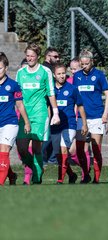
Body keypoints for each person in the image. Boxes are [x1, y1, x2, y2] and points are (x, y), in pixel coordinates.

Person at [16, 43, 61, 184]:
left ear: (38, 57)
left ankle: (36, 175)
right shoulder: (20, 73)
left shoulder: (45, 72)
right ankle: (36, 168)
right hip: (24, 114)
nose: (29, 58)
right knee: (22, 148)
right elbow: (17, 96)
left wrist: (55, 113)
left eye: (32, 56)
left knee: (36, 147)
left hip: (40, 113)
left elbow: (51, 93)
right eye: (27, 56)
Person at [73, 49, 108, 184]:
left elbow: (107, 95)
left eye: (86, 64)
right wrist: (74, 113)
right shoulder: (76, 76)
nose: (84, 66)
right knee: (79, 149)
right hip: (81, 118)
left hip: (96, 116)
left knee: (96, 149)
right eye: (82, 64)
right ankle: (85, 174)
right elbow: (75, 98)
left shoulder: (99, 75)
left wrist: (106, 113)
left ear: (92, 62)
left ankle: (96, 178)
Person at [51, 63, 88, 184]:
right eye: (59, 74)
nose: (62, 76)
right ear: (54, 75)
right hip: (55, 125)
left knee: (64, 150)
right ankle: (71, 175)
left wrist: (84, 124)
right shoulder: (50, 90)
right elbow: (47, 107)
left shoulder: (72, 89)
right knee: (58, 154)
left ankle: (60, 179)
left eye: (63, 73)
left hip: (70, 124)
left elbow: (81, 107)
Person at [0, 52, 31, 185]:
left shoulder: (13, 85)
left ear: (6, 68)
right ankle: (11, 175)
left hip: (10, 123)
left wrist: (26, 122)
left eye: (0, 68)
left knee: (4, 151)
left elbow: (19, 105)